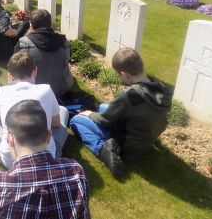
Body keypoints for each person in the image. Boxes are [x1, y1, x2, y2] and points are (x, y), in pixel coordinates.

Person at [70, 48, 171, 178]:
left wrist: (89, 114)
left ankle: (104, 151)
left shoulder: (129, 95)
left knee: (76, 121)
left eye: (119, 75)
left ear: (124, 75)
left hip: (127, 147)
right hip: (144, 142)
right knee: (102, 106)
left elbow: (104, 120)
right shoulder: (162, 89)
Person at [0, 52, 69, 169]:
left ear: (10, 75)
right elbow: (56, 123)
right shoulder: (46, 90)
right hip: (47, 157)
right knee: (63, 110)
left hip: (9, 159)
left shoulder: (3, 92)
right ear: (35, 70)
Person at [15, 9, 74, 101]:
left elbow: (15, 68)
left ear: (31, 25)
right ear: (50, 23)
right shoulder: (64, 42)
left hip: (35, 91)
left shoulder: (22, 44)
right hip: (61, 89)